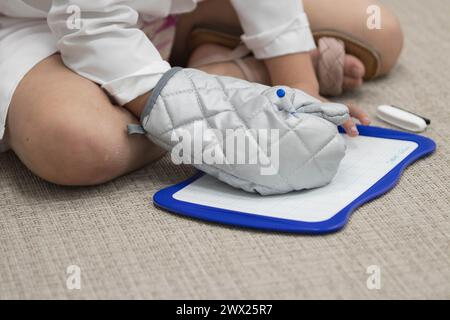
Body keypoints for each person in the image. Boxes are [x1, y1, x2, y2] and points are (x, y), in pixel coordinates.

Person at [0, 0, 403, 186]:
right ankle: (224, 70)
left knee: (380, 31)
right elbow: (92, 25)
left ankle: (211, 63)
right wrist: (216, 118)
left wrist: (299, 84)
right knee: (78, 145)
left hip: (162, 10)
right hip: (38, 25)